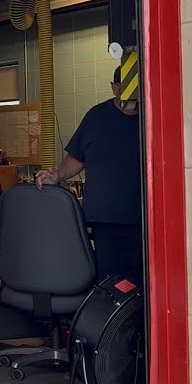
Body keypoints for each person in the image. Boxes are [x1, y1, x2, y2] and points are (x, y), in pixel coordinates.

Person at [35, 67, 144, 284]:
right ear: (115, 88)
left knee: (144, 285)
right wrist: (57, 175)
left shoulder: (153, 115)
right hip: (106, 222)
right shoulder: (96, 117)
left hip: (146, 220)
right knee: (110, 284)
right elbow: (77, 157)